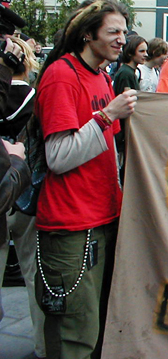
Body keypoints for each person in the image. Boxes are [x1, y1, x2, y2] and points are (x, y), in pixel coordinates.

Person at [34, 0, 138, 359]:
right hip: (71, 228)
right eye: (113, 31)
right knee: (74, 337)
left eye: (124, 32)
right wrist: (107, 117)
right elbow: (58, 157)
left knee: (92, 331)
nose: (122, 39)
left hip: (101, 221)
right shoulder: (61, 76)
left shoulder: (101, 77)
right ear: (87, 34)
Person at [0, 36, 46, 359]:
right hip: (27, 194)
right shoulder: (35, 97)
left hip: (3, 191)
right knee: (33, 275)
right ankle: (43, 347)